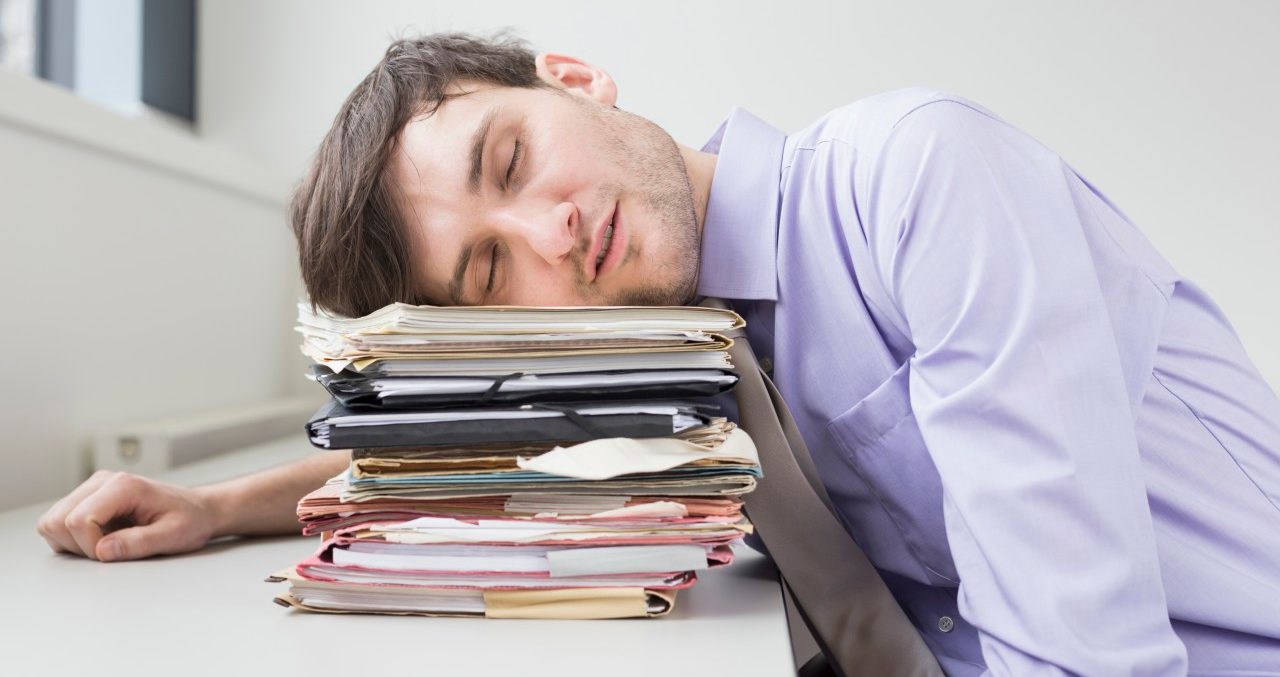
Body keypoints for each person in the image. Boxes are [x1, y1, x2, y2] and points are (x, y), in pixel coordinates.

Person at [36, 33, 1280, 675]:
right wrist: (215, 505)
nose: (548, 237)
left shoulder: (912, 177)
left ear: (576, 79)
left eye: (509, 163)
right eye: (486, 272)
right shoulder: (680, 370)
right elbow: (500, 456)